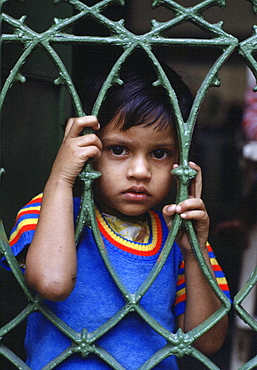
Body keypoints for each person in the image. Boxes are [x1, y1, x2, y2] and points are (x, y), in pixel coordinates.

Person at [3, 52, 230, 369]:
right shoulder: (52, 211)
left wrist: (195, 251)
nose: (140, 171)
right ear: (86, 146)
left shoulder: (174, 233)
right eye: (119, 149)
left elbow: (207, 341)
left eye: (160, 153)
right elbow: (52, 284)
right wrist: (60, 179)